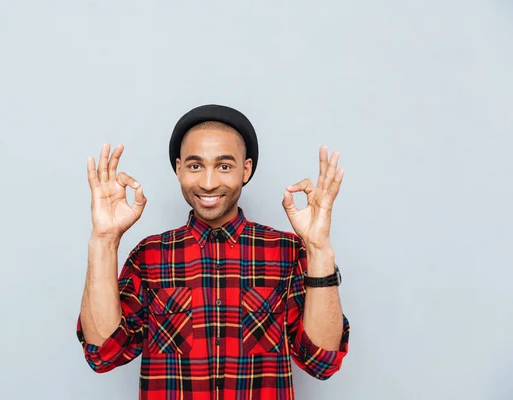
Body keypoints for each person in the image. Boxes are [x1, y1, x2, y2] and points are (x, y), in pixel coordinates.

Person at [77, 104, 350, 399]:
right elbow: (103, 354)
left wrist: (319, 248)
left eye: (224, 166)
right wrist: (104, 239)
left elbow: (322, 362)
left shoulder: (286, 253)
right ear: (179, 169)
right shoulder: (150, 256)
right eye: (195, 166)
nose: (208, 183)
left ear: (245, 169)